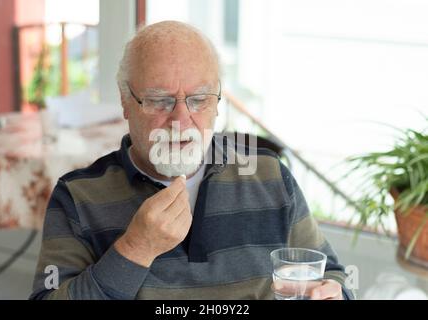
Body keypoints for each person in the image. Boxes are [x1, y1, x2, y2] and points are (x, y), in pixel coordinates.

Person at [30, 21, 354, 300]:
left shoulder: (270, 175)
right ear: (126, 102)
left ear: (217, 103)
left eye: (199, 99)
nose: (181, 120)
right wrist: (135, 248)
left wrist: (333, 291)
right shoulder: (77, 195)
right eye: (160, 101)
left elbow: (337, 276)